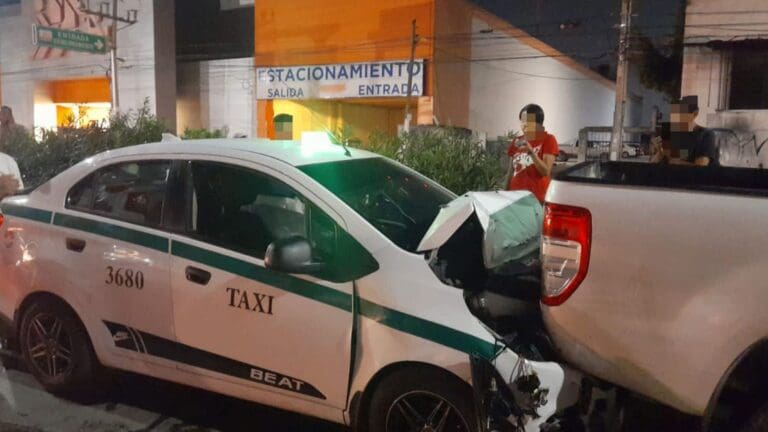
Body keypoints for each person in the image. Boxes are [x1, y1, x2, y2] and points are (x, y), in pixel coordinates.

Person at [506, 104, 559, 202]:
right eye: (522, 121)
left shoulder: (548, 139)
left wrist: (531, 152)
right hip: (514, 197)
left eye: (528, 121)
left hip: (536, 199)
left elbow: (545, 171)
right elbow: (510, 172)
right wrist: (504, 194)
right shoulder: (517, 141)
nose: (524, 124)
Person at [650, 96, 718, 167]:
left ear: (695, 114)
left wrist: (671, 159)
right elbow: (653, 165)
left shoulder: (706, 134)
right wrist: (660, 153)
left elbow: (701, 167)